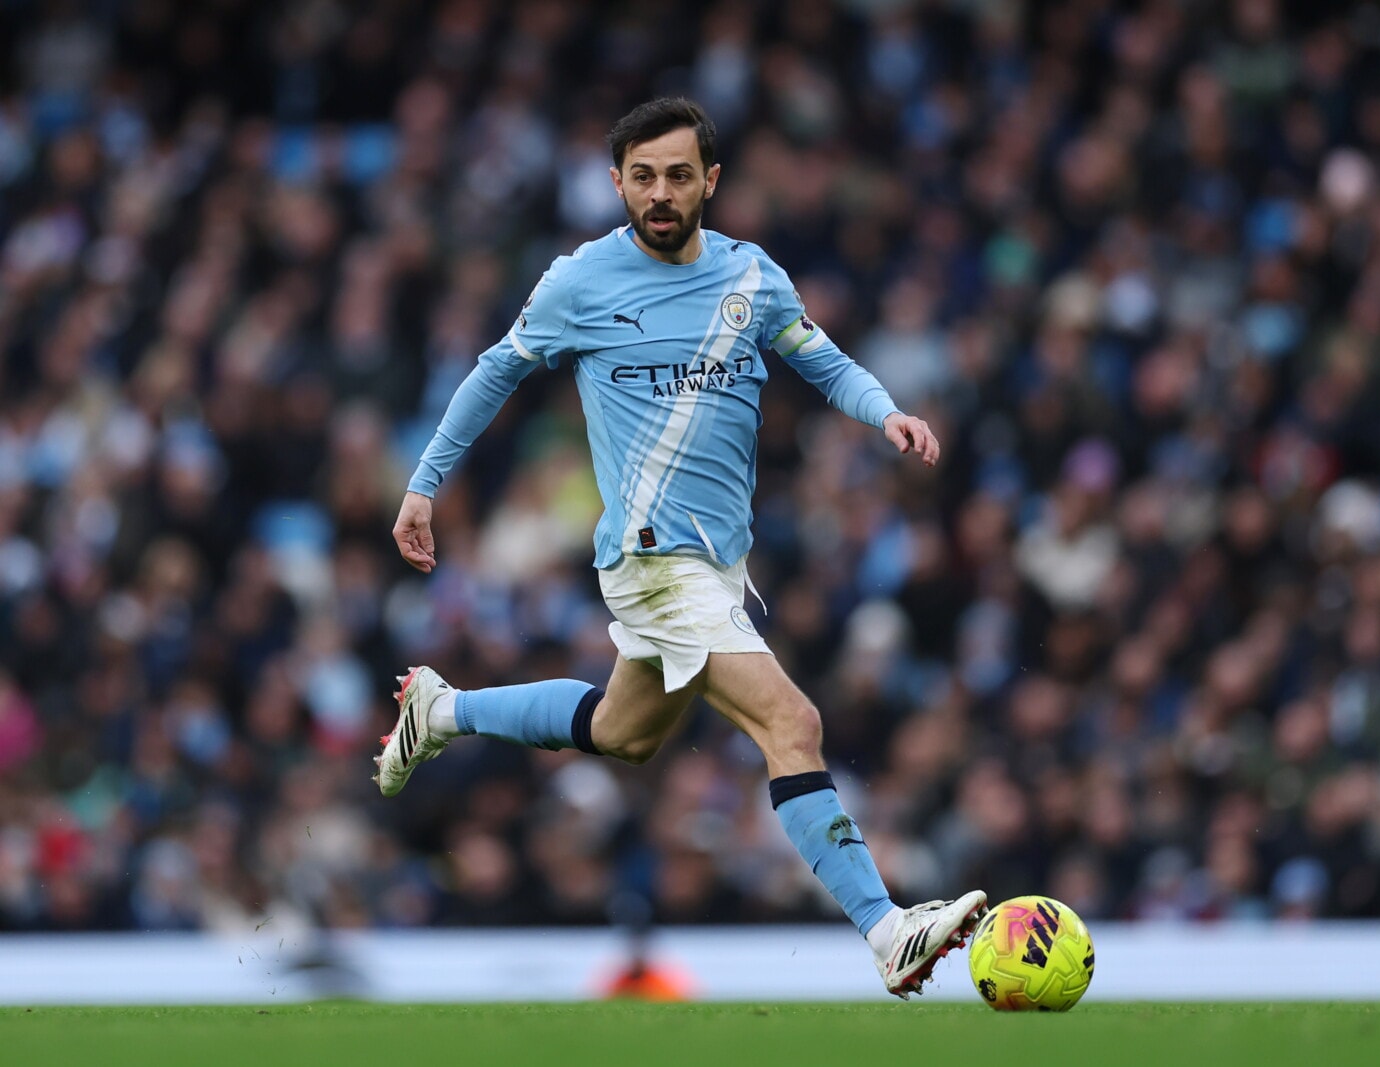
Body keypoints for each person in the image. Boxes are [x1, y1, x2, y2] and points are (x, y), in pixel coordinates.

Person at [379, 98, 985, 997]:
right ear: (617, 183)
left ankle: (444, 710)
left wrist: (885, 411)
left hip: (717, 564)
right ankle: (888, 928)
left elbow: (819, 357)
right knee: (793, 724)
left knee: (622, 734)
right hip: (653, 559)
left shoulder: (752, 276)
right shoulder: (581, 282)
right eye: (642, 177)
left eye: (676, 175)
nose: (659, 193)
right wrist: (425, 483)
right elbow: (496, 370)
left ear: (711, 180)